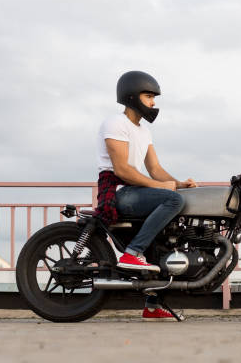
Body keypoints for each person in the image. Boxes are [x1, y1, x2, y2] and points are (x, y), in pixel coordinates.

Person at [95, 70, 197, 320]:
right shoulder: (115, 124)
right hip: (119, 191)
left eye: (154, 97)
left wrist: (180, 183)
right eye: (149, 96)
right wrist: (164, 189)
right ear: (132, 96)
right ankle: (132, 253)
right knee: (172, 200)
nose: (153, 103)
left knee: (167, 235)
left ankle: (152, 305)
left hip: (136, 189)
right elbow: (122, 170)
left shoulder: (143, 131)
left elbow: (155, 169)